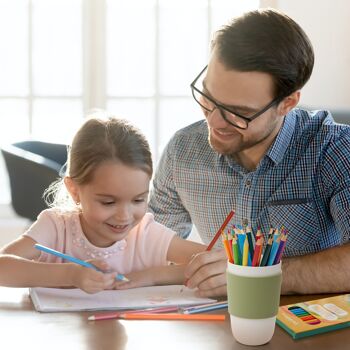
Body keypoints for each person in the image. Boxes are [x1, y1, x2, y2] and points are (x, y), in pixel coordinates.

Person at [149, 8, 350, 297]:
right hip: (217, 330)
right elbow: (148, 246)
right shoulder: (182, 152)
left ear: (287, 103)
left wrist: (254, 276)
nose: (214, 122)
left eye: (238, 113)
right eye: (208, 97)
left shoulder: (334, 150)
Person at [0, 116, 206, 293]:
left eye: (138, 200)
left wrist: (152, 275)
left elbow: (219, 263)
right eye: (108, 202)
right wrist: (70, 274)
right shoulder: (56, 227)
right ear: (74, 190)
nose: (124, 216)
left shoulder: (146, 234)